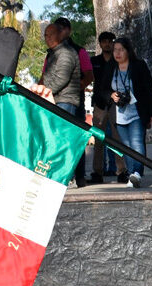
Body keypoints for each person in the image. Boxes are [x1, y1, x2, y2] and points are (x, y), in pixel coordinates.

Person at [99, 37, 152, 188]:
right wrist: (111, 95)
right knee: (125, 145)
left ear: (128, 51)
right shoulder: (111, 67)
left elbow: (149, 90)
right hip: (119, 113)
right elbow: (103, 89)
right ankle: (131, 174)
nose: (117, 53)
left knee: (137, 142)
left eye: (121, 50)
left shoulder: (138, 65)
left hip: (137, 111)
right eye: (115, 50)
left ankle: (137, 172)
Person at [55, 17, 94, 187]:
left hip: (74, 103)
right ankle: (63, 175)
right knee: (59, 139)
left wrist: (75, 89)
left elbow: (89, 75)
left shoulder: (80, 51)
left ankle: (79, 176)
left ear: (69, 31)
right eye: (57, 29)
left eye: (63, 29)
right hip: (55, 102)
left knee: (75, 138)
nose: (60, 32)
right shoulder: (52, 52)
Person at [90, 31, 127, 183]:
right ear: (99, 43)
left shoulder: (118, 61)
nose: (107, 44)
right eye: (103, 41)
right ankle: (97, 172)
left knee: (117, 139)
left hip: (116, 105)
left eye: (110, 41)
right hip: (99, 103)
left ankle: (121, 171)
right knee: (98, 139)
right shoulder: (94, 61)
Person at [41, 24, 81, 117]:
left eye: (52, 34)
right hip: (55, 100)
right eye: (46, 35)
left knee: (62, 130)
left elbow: (61, 79)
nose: (48, 38)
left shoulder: (65, 52)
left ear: (60, 35)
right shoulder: (54, 52)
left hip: (64, 102)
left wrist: (44, 93)